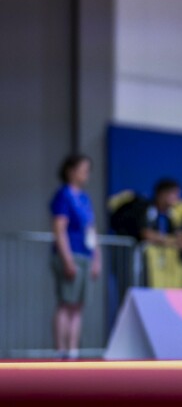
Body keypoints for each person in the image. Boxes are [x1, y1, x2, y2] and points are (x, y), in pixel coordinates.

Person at [50, 154, 101, 360]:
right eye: (83, 169)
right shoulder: (63, 195)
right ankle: (60, 350)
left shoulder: (85, 198)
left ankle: (73, 351)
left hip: (85, 255)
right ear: (71, 171)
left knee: (78, 305)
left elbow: (91, 230)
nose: (86, 174)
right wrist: (67, 259)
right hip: (70, 254)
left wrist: (97, 257)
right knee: (66, 302)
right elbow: (59, 229)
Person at [110, 178, 182, 245]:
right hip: (132, 254)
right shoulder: (143, 208)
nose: (177, 198)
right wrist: (170, 241)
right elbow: (145, 234)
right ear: (162, 194)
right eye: (174, 194)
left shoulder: (170, 215)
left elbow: (177, 234)